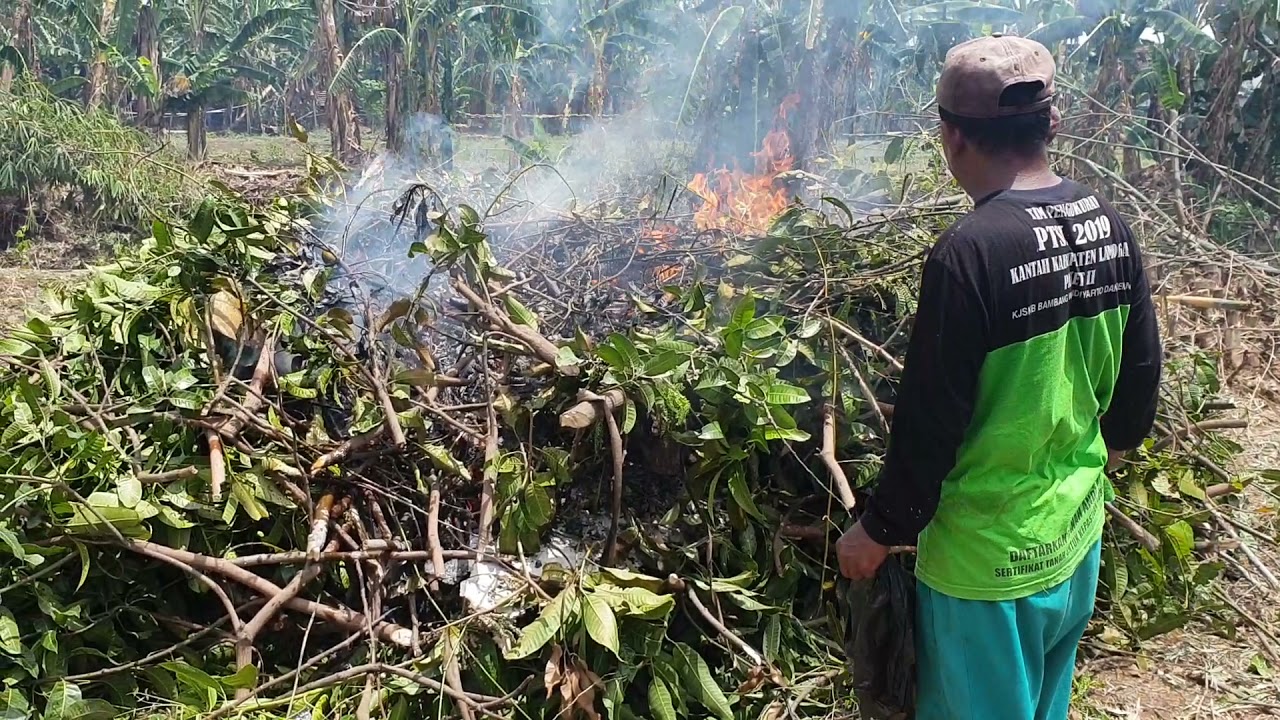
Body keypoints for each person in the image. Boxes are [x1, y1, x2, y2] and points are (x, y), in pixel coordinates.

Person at [834, 34, 1162, 720]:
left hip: (986, 571)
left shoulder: (970, 254)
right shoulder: (1112, 227)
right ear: (1052, 125)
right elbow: (1133, 410)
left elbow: (931, 424)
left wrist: (877, 529)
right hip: (1075, 541)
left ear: (952, 137)